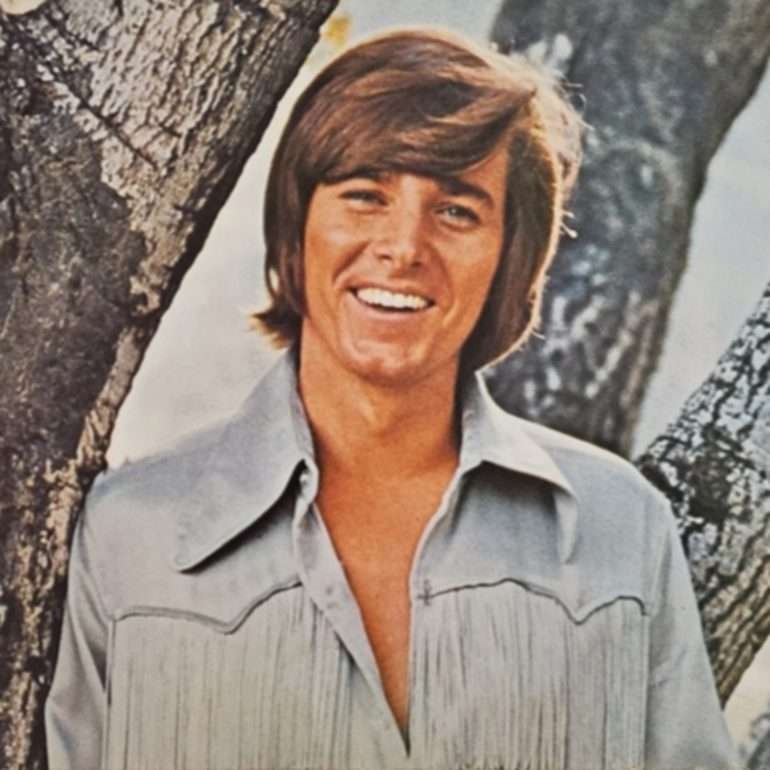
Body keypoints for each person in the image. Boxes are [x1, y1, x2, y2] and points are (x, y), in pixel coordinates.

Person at [45, 28, 738, 770]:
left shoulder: (620, 529)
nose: (404, 247)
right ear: (296, 230)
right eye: (365, 196)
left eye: (457, 211)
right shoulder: (132, 536)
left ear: (510, 260)